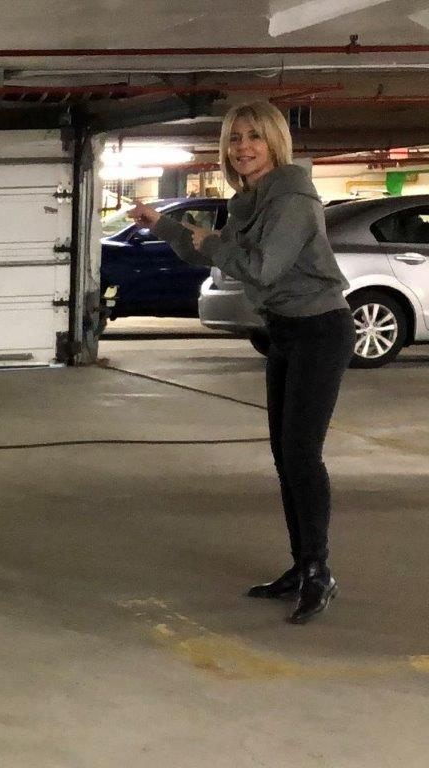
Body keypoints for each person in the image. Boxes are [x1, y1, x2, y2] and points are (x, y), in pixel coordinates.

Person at [127, 100, 354, 624]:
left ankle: (319, 570)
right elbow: (211, 250)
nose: (242, 147)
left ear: (275, 140)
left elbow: (264, 267)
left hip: (321, 329)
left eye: (254, 136)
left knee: (301, 454)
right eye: (234, 138)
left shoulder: (293, 197)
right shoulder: (252, 199)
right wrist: (162, 225)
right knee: (284, 455)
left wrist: (215, 243)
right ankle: (302, 565)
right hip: (285, 331)